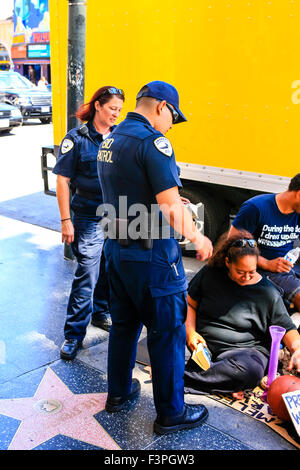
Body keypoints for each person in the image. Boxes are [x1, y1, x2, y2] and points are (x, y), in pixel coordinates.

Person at [97, 80, 213, 435]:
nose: (169, 126)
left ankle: (118, 393)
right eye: (172, 117)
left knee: (124, 326)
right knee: (167, 333)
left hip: (117, 249)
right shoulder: (153, 143)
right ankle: (171, 413)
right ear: (162, 106)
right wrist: (197, 236)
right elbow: (169, 204)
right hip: (153, 258)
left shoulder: (111, 138)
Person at [53, 86, 125, 360]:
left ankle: (101, 311)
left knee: (110, 268)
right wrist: (65, 220)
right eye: (111, 109)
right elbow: (62, 180)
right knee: (88, 274)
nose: (116, 115)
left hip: (116, 215)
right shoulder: (76, 139)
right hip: (88, 215)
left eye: (119, 110)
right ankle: (73, 335)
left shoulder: (120, 137)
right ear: (98, 106)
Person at [184, 231, 300, 398]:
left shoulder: (268, 293)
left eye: (251, 272)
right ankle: (217, 381)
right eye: (240, 272)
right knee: (168, 318)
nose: (246, 277)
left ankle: (181, 377)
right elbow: (189, 303)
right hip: (204, 346)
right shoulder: (211, 272)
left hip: (244, 353)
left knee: (249, 372)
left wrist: (297, 348)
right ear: (227, 262)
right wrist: (191, 333)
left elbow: (287, 327)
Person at [228, 174, 300, 314]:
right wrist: (266, 263)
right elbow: (232, 244)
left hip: (286, 269)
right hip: (257, 270)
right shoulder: (256, 207)